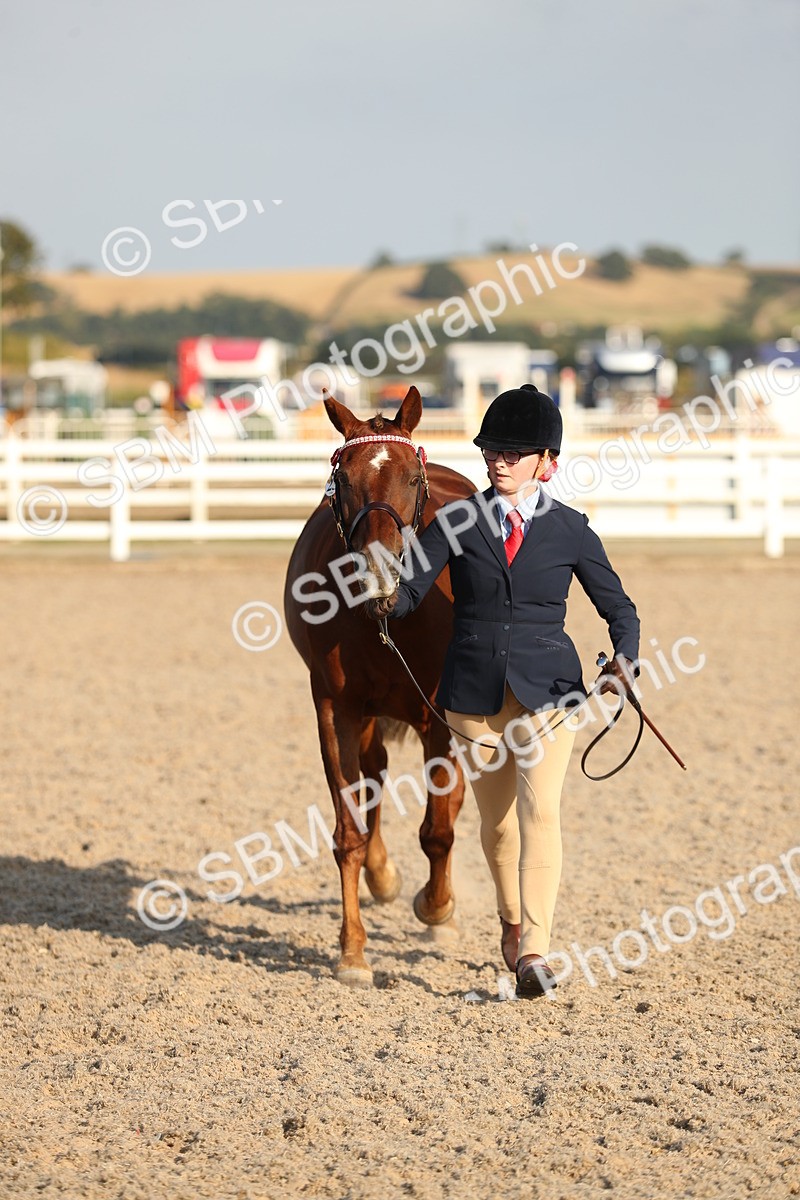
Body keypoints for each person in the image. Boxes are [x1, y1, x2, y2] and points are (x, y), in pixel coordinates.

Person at [370, 384, 640, 999]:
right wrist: (385, 595)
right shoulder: (455, 521)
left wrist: (625, 658)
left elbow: (619, 608)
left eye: (512, 453)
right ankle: (511, 921)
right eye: (492, 450)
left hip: (550, 689)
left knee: (542, 812)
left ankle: (536, 951)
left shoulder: (571, 530)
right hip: (473, 692)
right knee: (496, 827)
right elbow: (411, 591)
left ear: (547, 462)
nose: (497, 461)